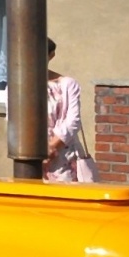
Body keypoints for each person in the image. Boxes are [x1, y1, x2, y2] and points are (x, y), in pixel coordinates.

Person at [46, 38, 99, 183]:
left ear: (51, 55)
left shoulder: (67, 84)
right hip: (29, 159)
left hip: (63, 157)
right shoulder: (15, 86)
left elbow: (73, 121)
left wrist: (50, 149)